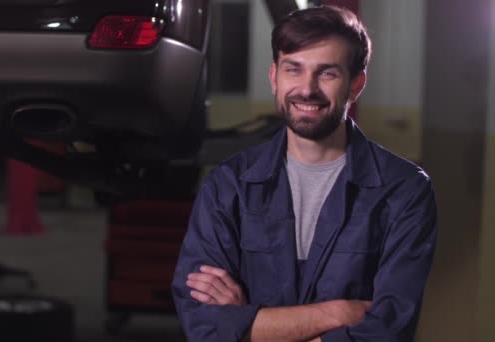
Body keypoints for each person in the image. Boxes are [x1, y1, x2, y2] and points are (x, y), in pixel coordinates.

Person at [172, 5, 437, 342]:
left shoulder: (404, 192)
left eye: (327, 73)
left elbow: (386, 330)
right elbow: (204, 325)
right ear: (274, 77)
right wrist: (337, 313)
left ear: (356, 84)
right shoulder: (228, 186)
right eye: (293, 69)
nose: (307, 88)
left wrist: (250, 325)